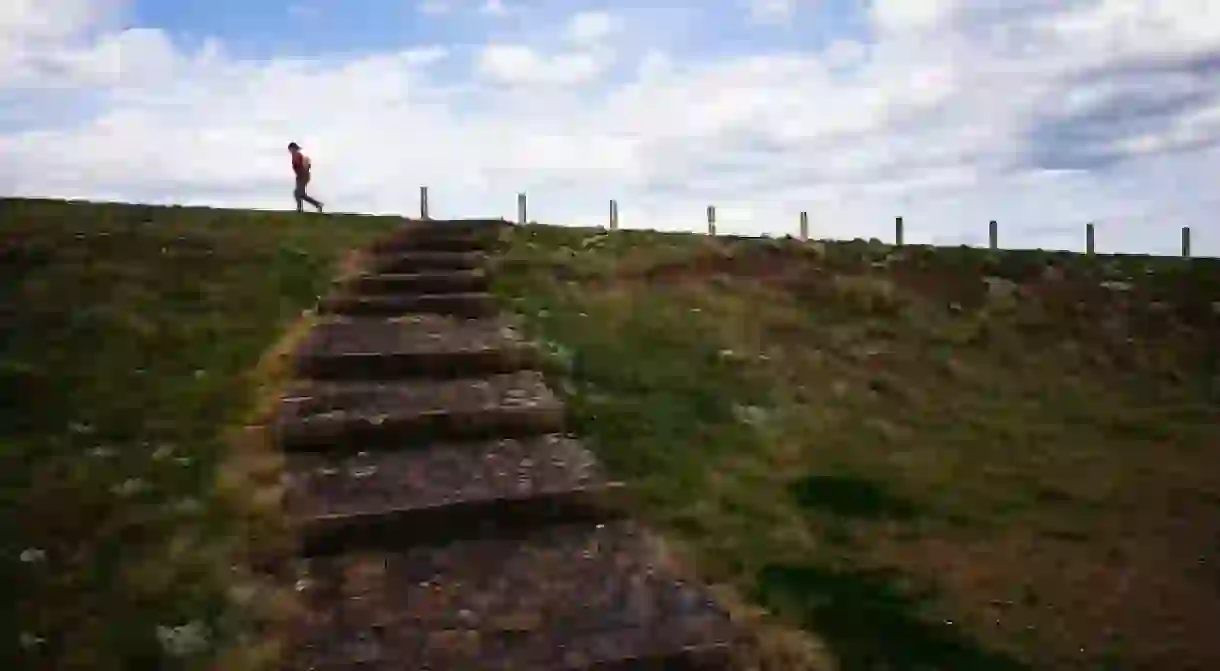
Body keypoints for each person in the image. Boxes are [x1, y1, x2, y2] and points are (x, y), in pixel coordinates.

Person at [288, 142, 324, 213]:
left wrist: (301, 175)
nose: (290, 151)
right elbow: (307, 165)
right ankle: (317, 204)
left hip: (302, 176)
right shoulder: (298, 155)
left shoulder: (297, 155)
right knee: (300, 194)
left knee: (298, 193)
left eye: (290, 149)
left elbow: (300, 166)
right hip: (302, 176)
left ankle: (301, 209)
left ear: (293, 148)